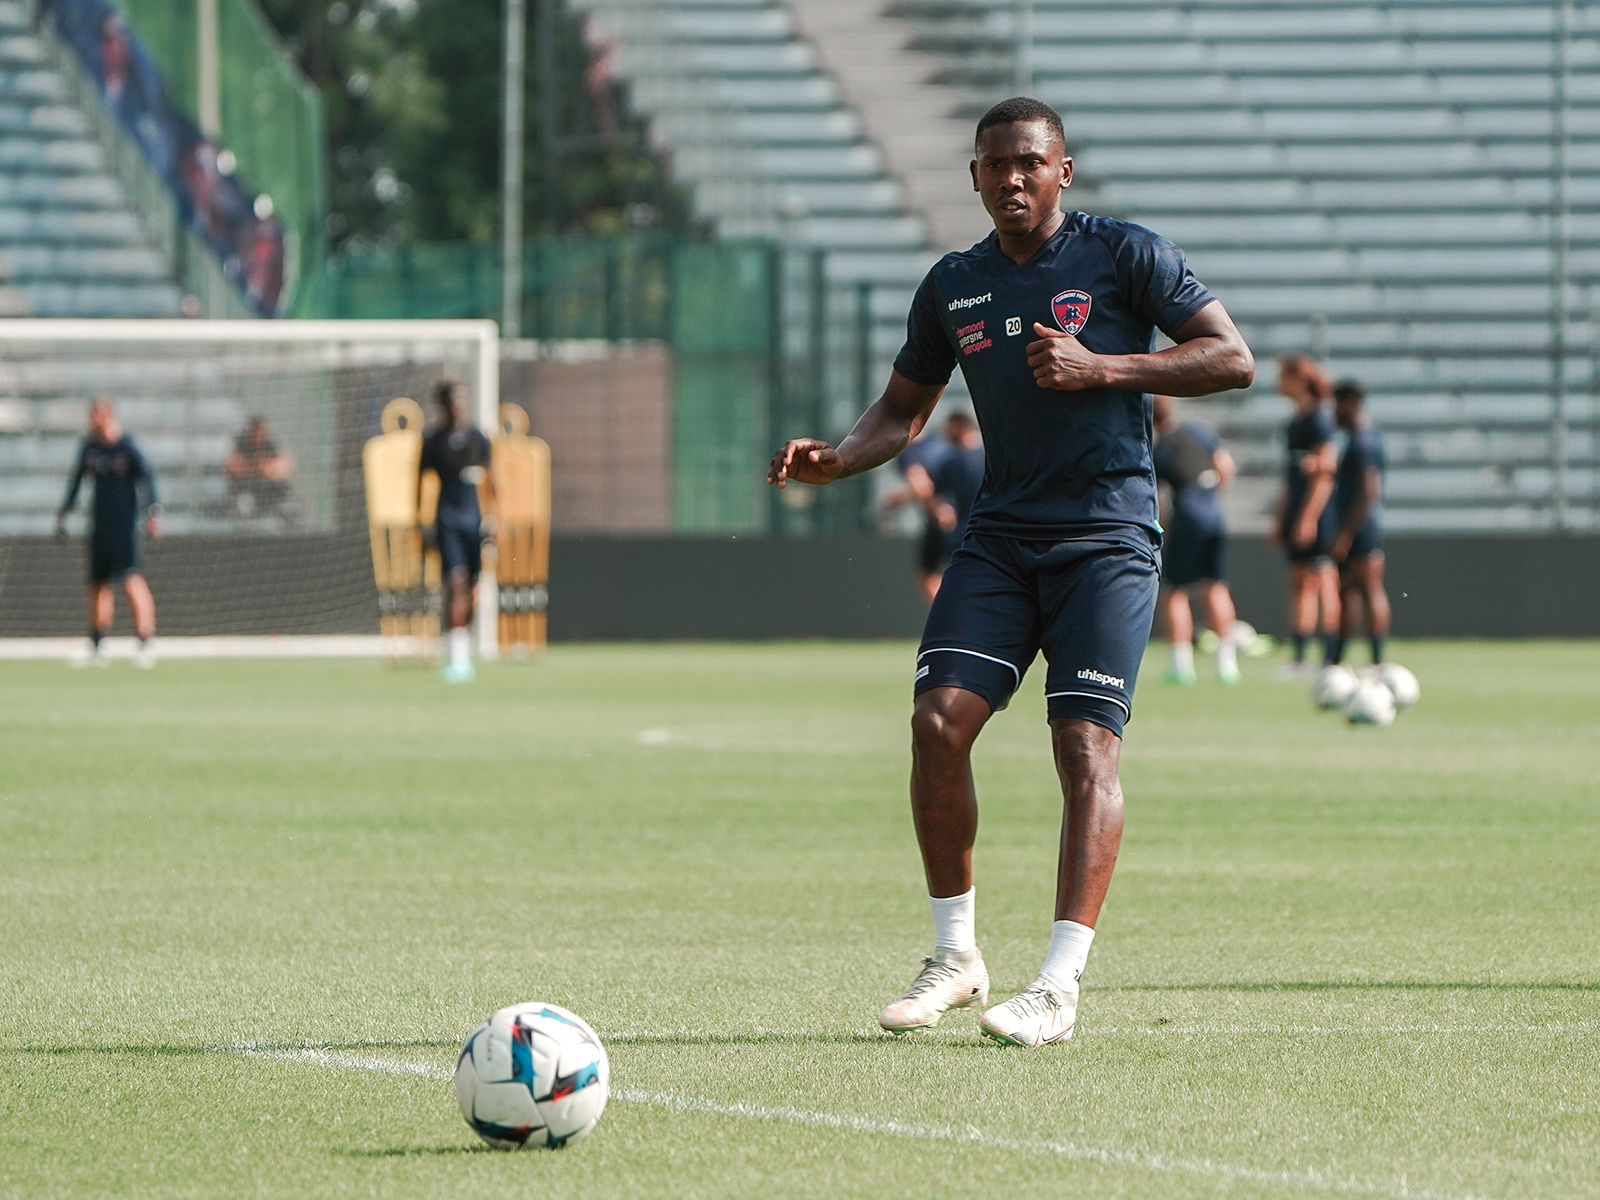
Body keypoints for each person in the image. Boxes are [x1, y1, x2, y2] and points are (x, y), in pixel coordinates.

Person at [767, 97, 1253, 1047]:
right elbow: (903, 410)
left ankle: (1058, 985)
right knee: (936, 723)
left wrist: (1105, 368)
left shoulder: (1124, 256)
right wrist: (838, 457)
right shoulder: (955, 283)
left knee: (1083, 748)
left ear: (1062, 171)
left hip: (1108, 539)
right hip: (1000, 538)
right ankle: (956, 956)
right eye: (995, 166)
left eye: (1030, 162)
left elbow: (1230, 358)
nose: (1012, 179)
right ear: (977, 177)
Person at [55, 397, 161, 668]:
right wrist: (65, 509)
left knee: (130, 580)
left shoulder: (126, 447)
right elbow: (76, 480)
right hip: (99, 527)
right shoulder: (90, 447)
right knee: (97, 583)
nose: (91, 421)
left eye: (95, 416)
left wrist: (153, 512)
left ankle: (145, 643)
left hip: (124, 528)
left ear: (107, 416)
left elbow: (147, 478)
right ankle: (97, 643)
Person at [1151, 395, 1241, 686]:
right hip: (1214, 517)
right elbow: (1225, 466)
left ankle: (1181, 665)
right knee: (1214, 587)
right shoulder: (1197, 431)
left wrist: (1164, 526)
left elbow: (1158, 500)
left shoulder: (1160, 448)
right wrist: (1211, 500)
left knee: (1174, 592)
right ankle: (1227, 665)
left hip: (1187, 520)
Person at [420, 381, 494, 683]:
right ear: (442, 406)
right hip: (447, 520)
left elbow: (494, 479)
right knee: (456, 581)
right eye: (451, 401)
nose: (457, 406)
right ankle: (457, 659)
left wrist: (494, 520)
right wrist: (421, 523)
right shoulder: (433, 441)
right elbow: (418, 482)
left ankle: (459, 641)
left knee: (474, 589)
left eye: (460, 400)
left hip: (474, 521)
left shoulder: (478, 439)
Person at [1271, 352, 1339, 680]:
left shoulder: (1319, 419)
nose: (1277, 383)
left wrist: (1308, 517)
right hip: (1297, 509)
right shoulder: (1296, 420)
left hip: (1315, 512)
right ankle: (1300, 657)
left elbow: (1325, 470)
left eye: (1282, 376)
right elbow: (1292, 475)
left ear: (1297, 378)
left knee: (1321, 579)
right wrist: (1282, 516)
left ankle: (1330, 655)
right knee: (1299, 581)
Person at [1328, 380, 1390, 666]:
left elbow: (1368, 491)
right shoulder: (1361, 437)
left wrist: (1345, 533)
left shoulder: (1363, 441)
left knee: (1368, 589)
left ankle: (1377, 660)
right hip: (1357, 528)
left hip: (1361, 530)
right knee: (1347, 591)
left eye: (1337, 405)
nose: (1333, 412)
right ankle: (1337, 659)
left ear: (1350, 402)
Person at [882, 426, 952, 603]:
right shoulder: (940, 441)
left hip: (941, 518)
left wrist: (898, 498)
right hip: (969, 513)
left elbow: (922, 486)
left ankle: (951, 623)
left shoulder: (908, 451)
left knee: (928, 574)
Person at [225, 415, 295, 521]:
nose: (259, 435)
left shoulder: (272, 442)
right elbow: (232, 467)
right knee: (243, 503)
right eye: (256, 432)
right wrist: (254, 467)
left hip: (269, 489)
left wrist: (264, 468)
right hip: (246, 487)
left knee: (286, 501)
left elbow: (285, 467)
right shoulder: (241, 442)